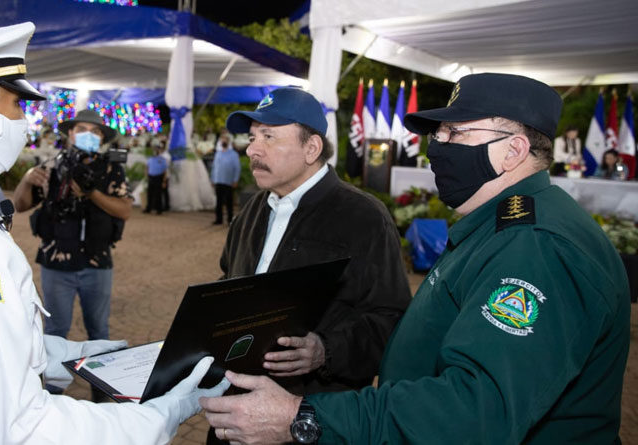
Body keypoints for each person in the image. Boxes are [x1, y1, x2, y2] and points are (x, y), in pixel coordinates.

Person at [200, 73, 630, 445]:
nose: (435, 148)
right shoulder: (494, 229)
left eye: (454, 134)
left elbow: (475, 411)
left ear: (513, 151)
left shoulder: (539, 246)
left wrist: (305, 417)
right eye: (437, 135)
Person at [0, 22, 227, 444]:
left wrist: (71, 356)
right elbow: (23, 428)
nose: (24, 120)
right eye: (17, 105)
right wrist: (162, 415)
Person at [207, 87, 412, 443]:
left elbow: (390, 320)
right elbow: (229, 282)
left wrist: (326, 350)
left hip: (308, 421)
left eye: (269, 137)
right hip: (235, 413)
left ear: (311, 148)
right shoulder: (252, 211)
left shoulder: (363, 217)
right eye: (253, 137)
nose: (253, 149)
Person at [13, 108, 129, 398]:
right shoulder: (51, 166)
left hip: (97, 263)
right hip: (56, 263)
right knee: (54, 332)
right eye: (82, 129)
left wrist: (92, 193)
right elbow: (20, 204)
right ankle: (49, 397)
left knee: (98, 331)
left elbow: (124, 209)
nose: (88, 135)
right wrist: (27, 178)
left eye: (96, 131)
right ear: (70, 133)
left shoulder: (111, 168)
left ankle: (101, 395)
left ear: (102, 137)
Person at [210, 129, 241, 225]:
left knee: (229, 202)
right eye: (222, 140)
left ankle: (230, 220)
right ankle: (218, 219)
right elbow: (214, 167)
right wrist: (212, 179)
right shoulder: (218, 153)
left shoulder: (234, 154)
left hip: (229, 181)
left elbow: (237, 168)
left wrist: (235, 180)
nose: (223, 141)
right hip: (218, 180)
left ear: (228, 141)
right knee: (218, 202)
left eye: (225, 140)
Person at [144, 145, 168, 214]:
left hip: (158, 177)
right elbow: (146, 167)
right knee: (150, 194)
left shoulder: (162, 159)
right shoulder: (150, 159)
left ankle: (159, 209)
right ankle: (148, 208)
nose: (155, 151)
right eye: (154, 150)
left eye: (156, 150)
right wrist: (147, 176)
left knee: (158, 194)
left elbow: (165, 171)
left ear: (159, 151)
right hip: (151, 177)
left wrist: (164, 181)